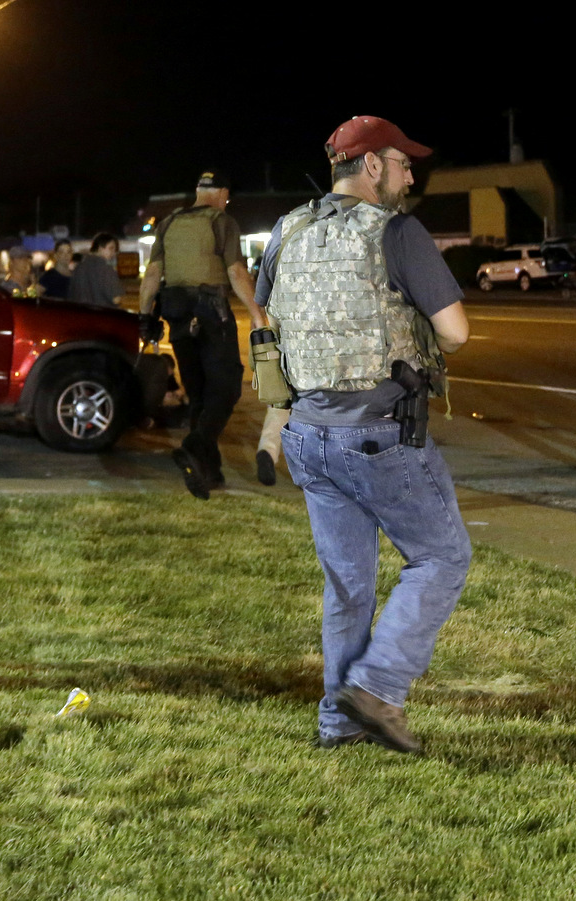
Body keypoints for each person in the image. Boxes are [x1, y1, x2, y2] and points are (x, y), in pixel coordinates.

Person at [257, 116, 471, 753]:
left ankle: (338, 723)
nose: (412, 173)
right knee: (441, 558)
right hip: (380, 436)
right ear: (372, 165)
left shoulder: (287, 229)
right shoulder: (397, 232)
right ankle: (376, 688)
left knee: (348, 585)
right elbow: (456, 332)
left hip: (309, 436)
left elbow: (267, 312)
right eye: (404, 163)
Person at [137, 172, 265, 499]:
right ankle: (195, 445)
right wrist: (257, 316)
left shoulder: (168, 223)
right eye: (227, 196)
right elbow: (236, 271)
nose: (227, 201)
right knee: (227, 387)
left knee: (199, 394)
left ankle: (210, 471)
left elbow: (153, 274)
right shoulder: (220, 221)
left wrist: (143, 314)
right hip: (210, 314)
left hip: (177, 317)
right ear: (221, 192)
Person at [68, 232, 124, 308]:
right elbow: (116, 299)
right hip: (102, 316)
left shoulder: (78, 267)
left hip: (81, 315)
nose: (114, 253)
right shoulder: (106, 269)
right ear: (100, 248)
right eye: (111, 248)